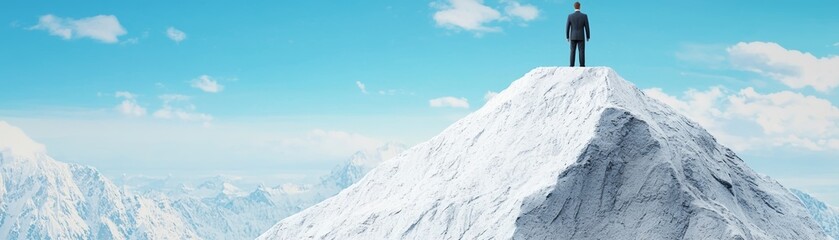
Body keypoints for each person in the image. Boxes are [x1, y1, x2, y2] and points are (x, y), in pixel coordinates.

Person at [566, 2, 590, 67]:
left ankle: (571, 65)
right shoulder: (584, 16)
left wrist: (567, 36)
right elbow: (587, 27)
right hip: (581, 36)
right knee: (581, 51)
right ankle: (582, 65)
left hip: (573, 36)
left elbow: (567, 27)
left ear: (574, 7)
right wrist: (588, 36)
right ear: (580, 7)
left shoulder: (570, 16)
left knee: (572, 51)